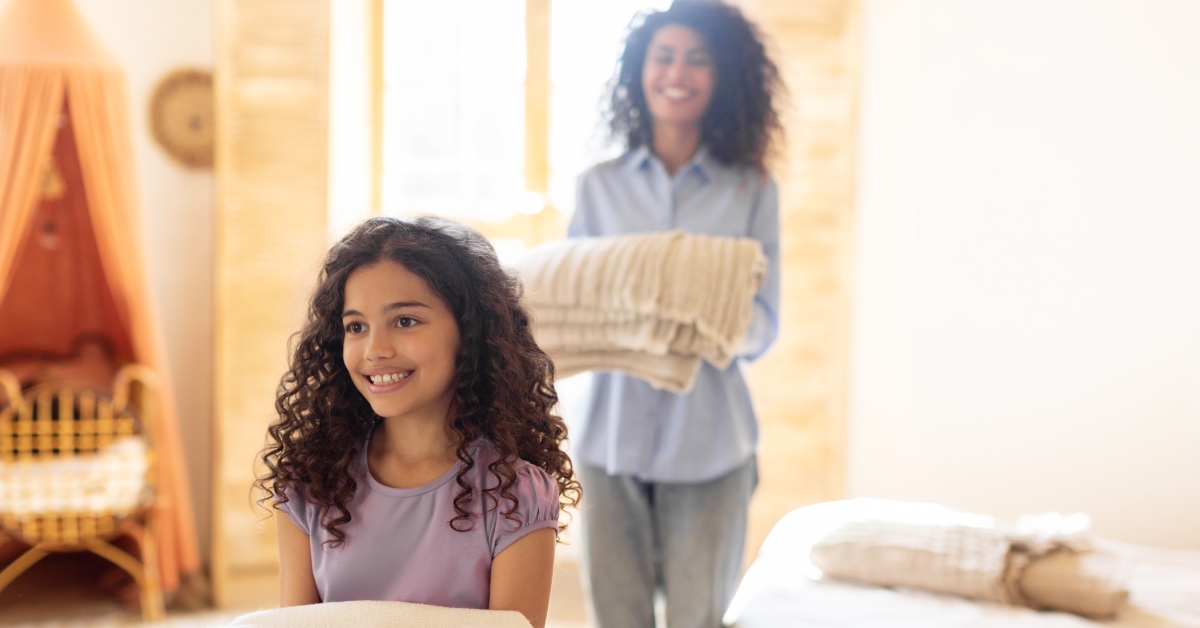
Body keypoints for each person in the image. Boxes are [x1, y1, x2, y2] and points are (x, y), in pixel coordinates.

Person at [567, 1, 783, 626]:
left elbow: (765, 320)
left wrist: (703, 321)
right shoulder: (597, 187)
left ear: (724, 78)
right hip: (609, 442)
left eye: (698, 59)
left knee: (698, 619)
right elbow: (574, 299)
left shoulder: (752, 188)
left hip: (711, 447)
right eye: (663, 57)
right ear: (640, 71)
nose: (677, 73)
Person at [258, 216, 581, 628]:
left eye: (405, 321)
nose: (375, 349)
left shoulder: (516, 495)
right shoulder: (310, 482)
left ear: (469, 332)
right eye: (356, 327)